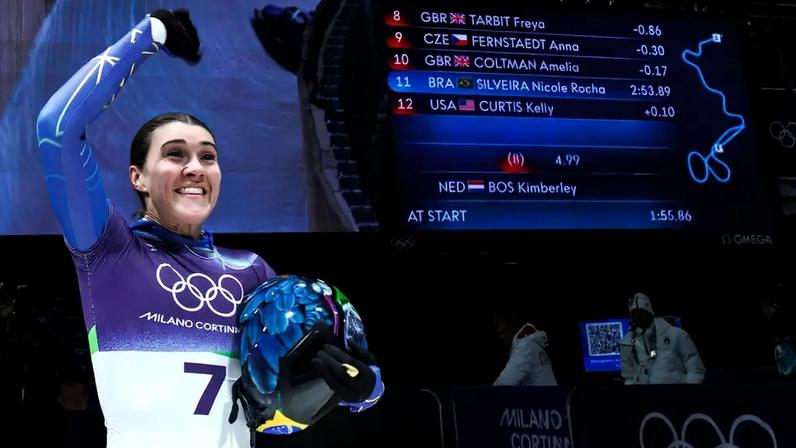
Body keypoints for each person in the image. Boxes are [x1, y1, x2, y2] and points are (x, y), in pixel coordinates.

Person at [36, 9, 381, 448]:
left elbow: (320, 388)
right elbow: (57, 128)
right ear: (137, 177)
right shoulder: (108, 250)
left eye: (208, 156)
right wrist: (150, 34)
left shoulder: (254, 274)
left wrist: (363, 387)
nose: (195, 168)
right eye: (175, 154)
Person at [619, 293, 705, 385]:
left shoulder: (677, 335)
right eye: (635, 314)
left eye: (641, 312)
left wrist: (686, 394)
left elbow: (695, 369)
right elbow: (629, 376)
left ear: (649, 313)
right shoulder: (627, 342)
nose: (638, 317)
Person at [493, 313, 557, 386]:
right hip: (548, 395)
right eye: (498, 334)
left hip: (544, 396)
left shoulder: (525, 346)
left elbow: (504, 383)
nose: (501, 338)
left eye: (503, 332)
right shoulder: (533, 343)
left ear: (512, 326)